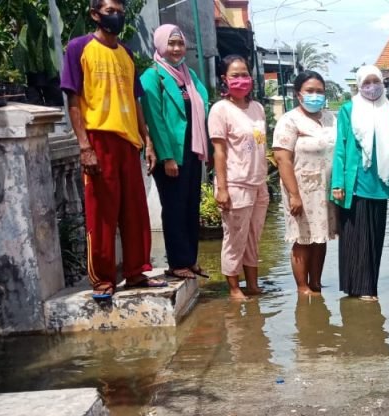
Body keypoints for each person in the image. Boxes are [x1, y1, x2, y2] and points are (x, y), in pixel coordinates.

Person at [61, 0, 164, 299]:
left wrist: (147, 142)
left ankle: (135, 272)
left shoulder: (127, 54)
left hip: (128, 141)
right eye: (109, 10)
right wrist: (84, 146)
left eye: (119, 10)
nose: (115, 16)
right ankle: (103, 278)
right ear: (95, 14)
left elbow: (136, 101)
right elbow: (74, 100)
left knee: (134, 211)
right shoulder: (79, 49)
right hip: (98, 137)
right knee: (102, 212)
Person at [140, 24, 210, 282]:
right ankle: (177, 262)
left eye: (180, 43)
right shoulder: (152, 77)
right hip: (171, 154)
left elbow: (204, 104)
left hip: (192, 150)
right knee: (174, 206)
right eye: (171, 44)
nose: (177, 49)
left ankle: (190, 259)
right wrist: (167, 156)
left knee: (191, 206)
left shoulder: (188, 74)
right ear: (160, 45)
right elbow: (155, 120)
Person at [331, 65, 389, 301]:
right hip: (355, 182)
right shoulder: (349, 110)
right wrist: (337, 183)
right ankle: (358, 287)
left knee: (375, 237)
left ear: (382, 83)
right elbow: (341, 147)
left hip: (381, 182)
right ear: (359, 85)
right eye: (366, 83)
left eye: (375, 81)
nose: (371, 87)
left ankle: (369, 287)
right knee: (355, 236)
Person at [208, 55, 269, 300]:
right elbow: (219, 152)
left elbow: (261, 144)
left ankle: (252, 284)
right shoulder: (220, 110)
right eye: (235, 75)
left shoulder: (257, 109)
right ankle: (234, 288)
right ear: (225, 79)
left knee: (254, 236)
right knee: (234, 238)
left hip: (258, 183)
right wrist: (222, 188)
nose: (241, 79)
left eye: (245, 74)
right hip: (235, 183)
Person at [273, 70, 338, 295]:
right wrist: (294, 194)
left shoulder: (331, 118)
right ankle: (302, 288)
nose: (315, 95)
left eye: (319, 91)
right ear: (298, 94)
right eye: (310, 91)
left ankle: (316, 283)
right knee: (303, 239)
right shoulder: (289, 120)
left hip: (326, 190)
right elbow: (282, 158)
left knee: (320, 238)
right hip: (301, 188)